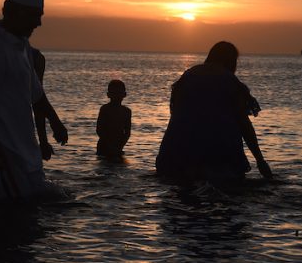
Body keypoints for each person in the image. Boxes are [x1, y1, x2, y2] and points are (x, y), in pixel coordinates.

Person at [0, 0, 71, 204]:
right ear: (12, 11)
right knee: (9, 211)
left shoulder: (23, 47)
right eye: (34, 16)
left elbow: (36, 95)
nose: (38, 23)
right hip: (1, 149)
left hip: (20, 146)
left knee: (34, 206)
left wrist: (55, 122)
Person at [155, 41, 272, 184]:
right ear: (231, 61)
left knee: (183, 189)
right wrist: (260, 160)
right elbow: (243, 124)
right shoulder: (230, 81)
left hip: (176, 150)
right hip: (218, 152)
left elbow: (176, 114)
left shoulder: (188, 76)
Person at [29, 47, 69, 160]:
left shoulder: (34, 56)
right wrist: (55, 121)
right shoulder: (31, 56)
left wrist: (43, 141)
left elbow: (37, 98)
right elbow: (38, 100)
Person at [96, 79, 131, 158]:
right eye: (114, 93)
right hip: (104, 147)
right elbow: (99, 130)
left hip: (118, 146)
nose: (117, 96)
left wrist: (120, 146)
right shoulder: (105, 109)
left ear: (124, 94)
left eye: (119, 93)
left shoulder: (127, 111)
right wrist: (110, 145)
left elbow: (127, 132)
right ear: (108, 95)